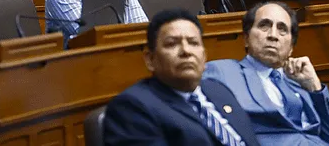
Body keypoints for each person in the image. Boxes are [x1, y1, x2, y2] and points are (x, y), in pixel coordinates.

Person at [104, 8, 260, 146]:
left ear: (204, 56)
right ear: (150, 59)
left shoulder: (218, 90)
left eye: (193, 43)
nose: (186, 51)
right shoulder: (132, 107)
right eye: (172, 44)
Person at [204, 2, 329, 145]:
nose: (273, 35)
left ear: (291, 47)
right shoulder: (222, 72)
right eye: (264, 25)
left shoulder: (300, 86)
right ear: (246, 38)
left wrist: (315, 88)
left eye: (282, 29)